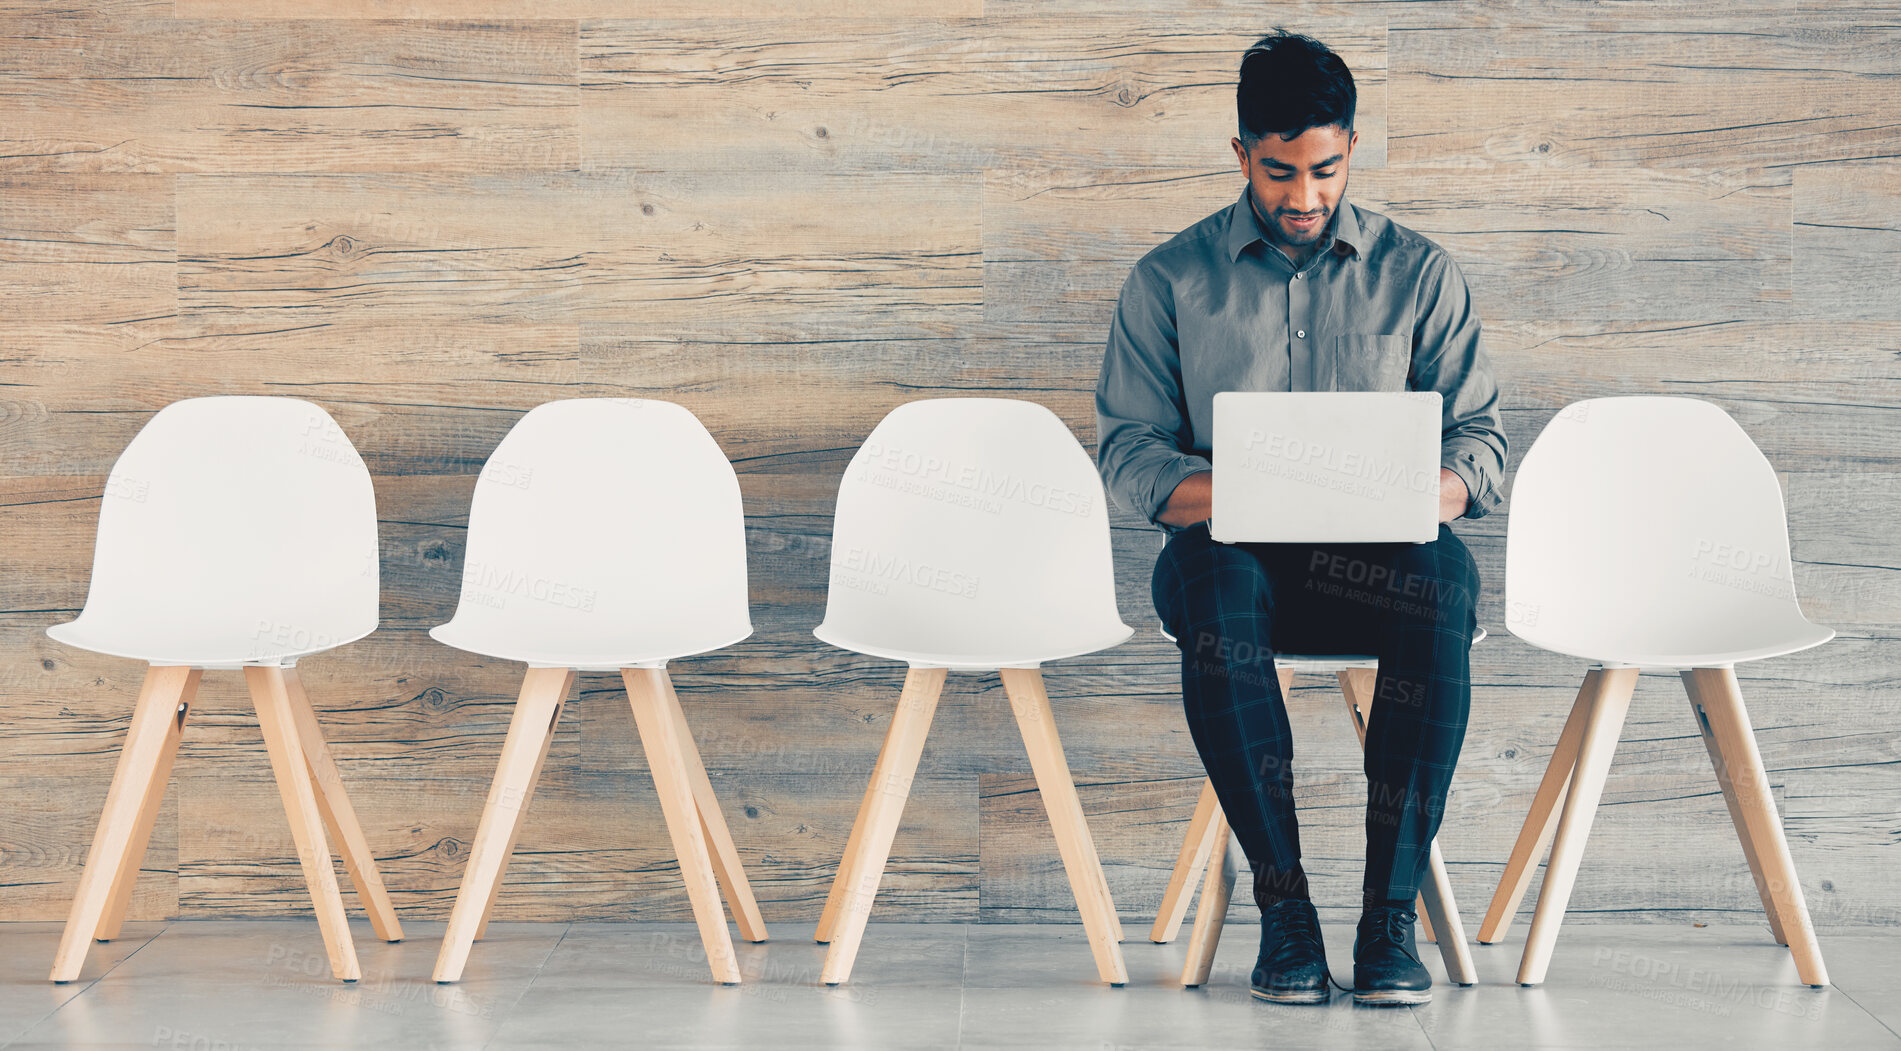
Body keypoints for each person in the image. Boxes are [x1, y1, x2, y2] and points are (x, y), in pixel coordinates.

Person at [1094, 28, 1507, 1006]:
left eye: (1323, 168)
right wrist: (1252, 491)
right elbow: (1129, 452)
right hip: (1231, 564)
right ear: (1240, 155)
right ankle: (1282, 911)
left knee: (1442, 575)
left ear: (1350, 148)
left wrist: (1426, 490)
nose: (1304, 196)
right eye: (1279, 172)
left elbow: (1480, 444)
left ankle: (1385, 921)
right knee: (1213, 576)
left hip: (1375, 563)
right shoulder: (1168, 280)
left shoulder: (1418, 273)